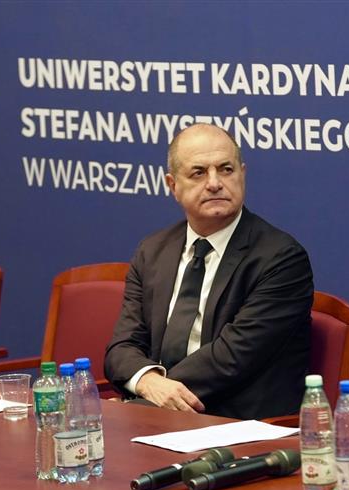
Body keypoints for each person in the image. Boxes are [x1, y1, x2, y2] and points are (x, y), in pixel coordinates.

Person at [104, 123, 313, 420]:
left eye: (226, 169)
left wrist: (144, 402)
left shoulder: (280, 258)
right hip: (161, 415)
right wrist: (148, 383)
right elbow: (122, 348)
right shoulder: (153, 251)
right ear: (173, 186)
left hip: (237, 424)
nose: (214, 183)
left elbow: (231, 360)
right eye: (198, 173)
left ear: (242, 174)